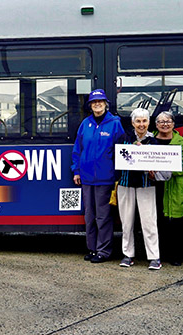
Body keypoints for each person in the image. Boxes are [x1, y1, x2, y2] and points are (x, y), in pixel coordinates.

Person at [71, 89, 126, 264]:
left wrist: (117, 175)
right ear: (90, 105)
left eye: (100, 102)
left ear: (105, 104)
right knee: (89, 216)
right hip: (87, 178)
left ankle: (104, 251)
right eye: (94, 102)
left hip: (105, 178)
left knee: (103, 217)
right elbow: (77, 149)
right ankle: (92, 248)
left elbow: (121, 150)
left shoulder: (115, 123)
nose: (97, 104)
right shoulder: (85, 124)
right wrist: (76, 170)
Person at [116, 108, 161, 270]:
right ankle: (128, 255)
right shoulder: (124, 138)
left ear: (149, 122)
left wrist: (153, 171)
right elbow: (116, 158)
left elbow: (159, 164)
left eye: (144, 121)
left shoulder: (154, 141)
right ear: (132, 123)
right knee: (126, 222)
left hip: (146, 185)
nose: (141, 124)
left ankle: (154, 257)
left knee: (149, 222)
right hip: (125, 184)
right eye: (138, 121)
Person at [153, 111, 183, 266]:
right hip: (154, 186)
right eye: (161, 122)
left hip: (175, 186)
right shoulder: (149, 140)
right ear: (156, 125)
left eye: (168, 121)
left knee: (176, 223)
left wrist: (161, 169)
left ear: (174, 124)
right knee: (157, 221)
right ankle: (157, 254)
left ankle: (176, 255)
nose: (165, 124)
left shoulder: (182, 143)